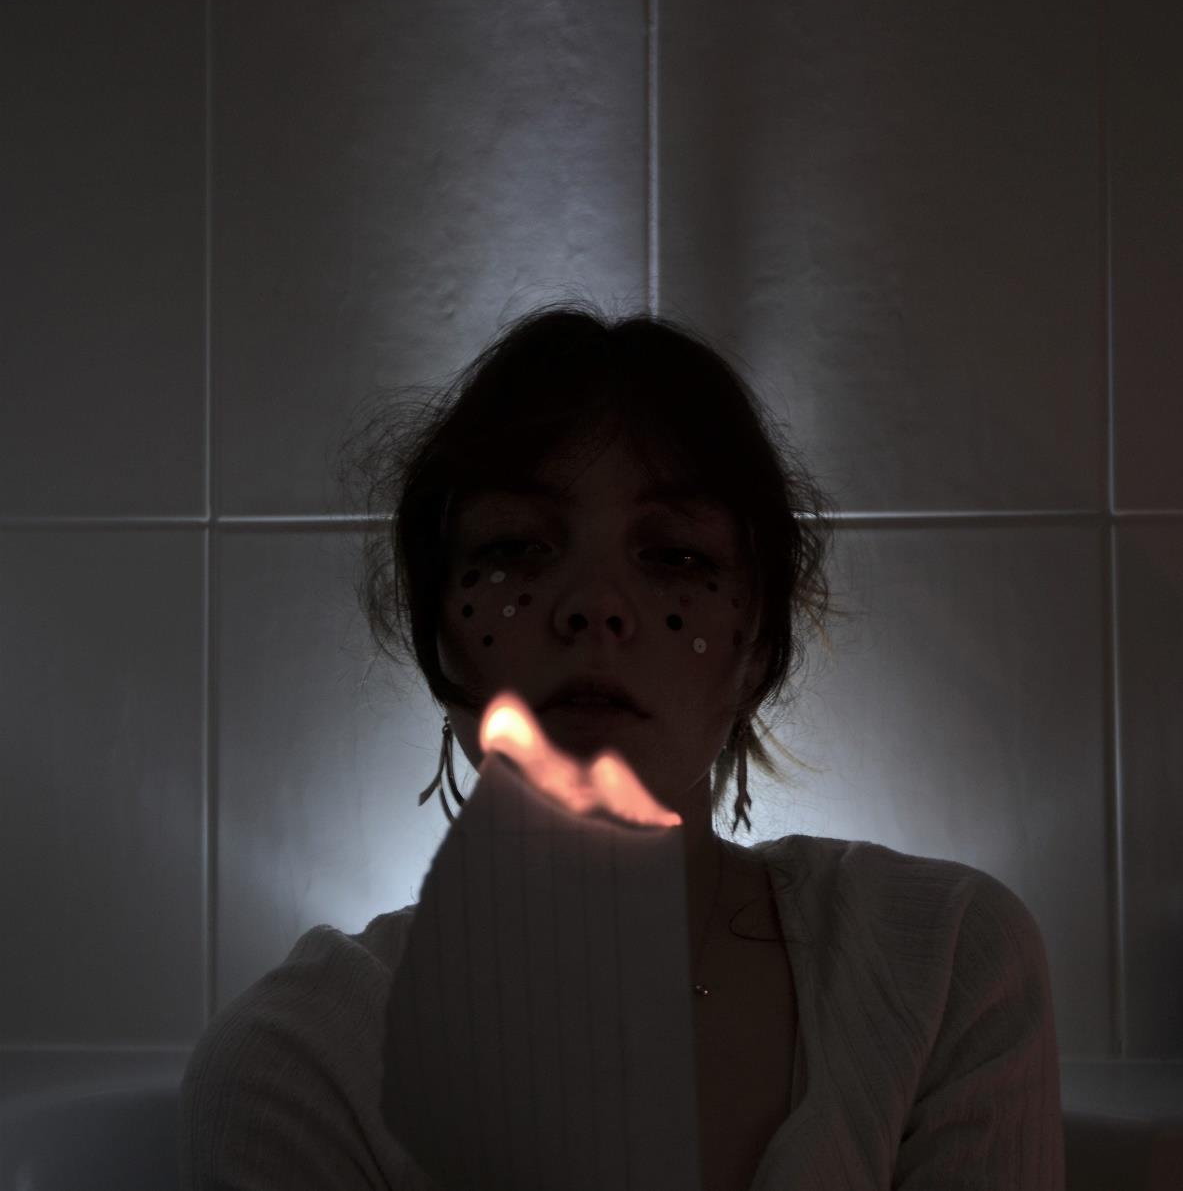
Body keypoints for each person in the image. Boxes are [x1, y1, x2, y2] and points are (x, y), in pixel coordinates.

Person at [178, 302, 1066, 1190]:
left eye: (675, 556)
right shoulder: (304, 1061)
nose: (594, 606)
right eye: (517, 547)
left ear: (757, 642)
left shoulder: (942, 962)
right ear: (437, 626)